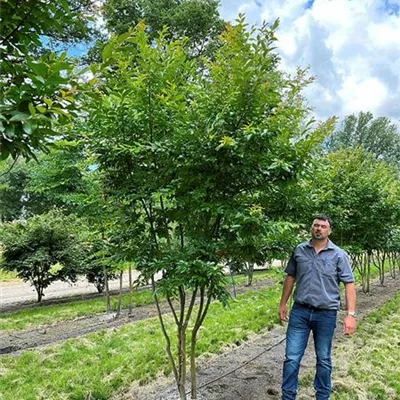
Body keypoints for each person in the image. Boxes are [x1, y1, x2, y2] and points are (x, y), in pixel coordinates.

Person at [279, 215, 356, 400]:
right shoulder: (299, 250)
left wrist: (350, 314)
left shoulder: (339, 254)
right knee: (292, 358)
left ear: (329, 230)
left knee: (323, 359)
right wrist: (283, 303)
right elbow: (290, 277)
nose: (319, 229)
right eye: (316, 225)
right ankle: (288, 396)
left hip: (326, 314)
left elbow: (349, 283)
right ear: (311, 228)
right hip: (300, 312)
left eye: (323, 226)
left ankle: (322, 396)